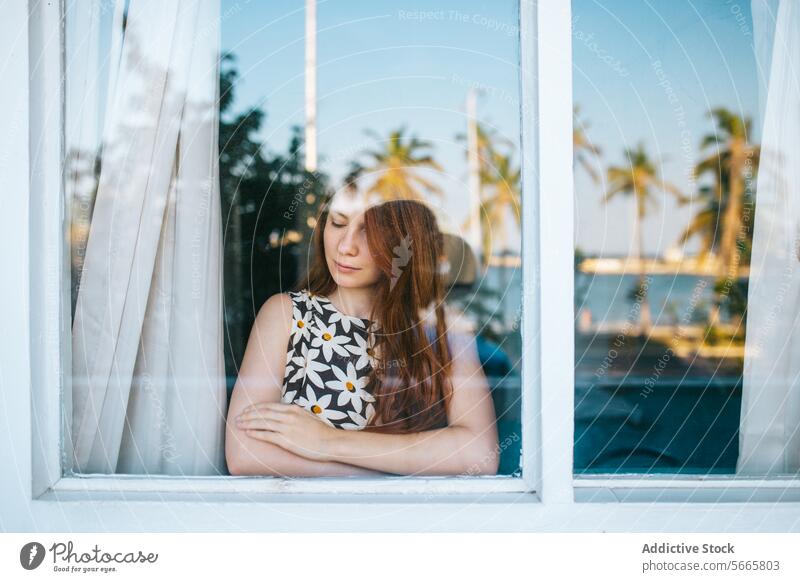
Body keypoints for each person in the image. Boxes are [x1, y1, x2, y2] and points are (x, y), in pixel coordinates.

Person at [225, 190, 499, 477]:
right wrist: (392, 475)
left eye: (369, 232)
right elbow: (245, 453)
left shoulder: (440, 329)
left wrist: (327, 442)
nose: (345, 246)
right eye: (339, 223)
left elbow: (479, 453)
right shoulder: (288, 315)